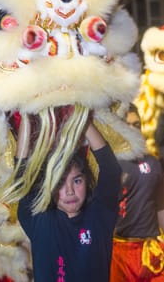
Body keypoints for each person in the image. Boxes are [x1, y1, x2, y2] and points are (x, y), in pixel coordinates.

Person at [17, 112, 122, 282]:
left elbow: (111, 169)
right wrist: (26, 114)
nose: (70, 191)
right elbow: (21, 172)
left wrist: (78, 112)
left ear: (87, 181)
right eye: (59, 183)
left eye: (77, 180)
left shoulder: (100, 216)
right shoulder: (38, 219)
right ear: (48, 187)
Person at [110, 103, 164, 282]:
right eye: (127, 125)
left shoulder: (153, 162)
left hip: (152, 252)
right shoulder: (107, 164)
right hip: (120, 253)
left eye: (137, 125)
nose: (133, 129)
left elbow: (160, 208)